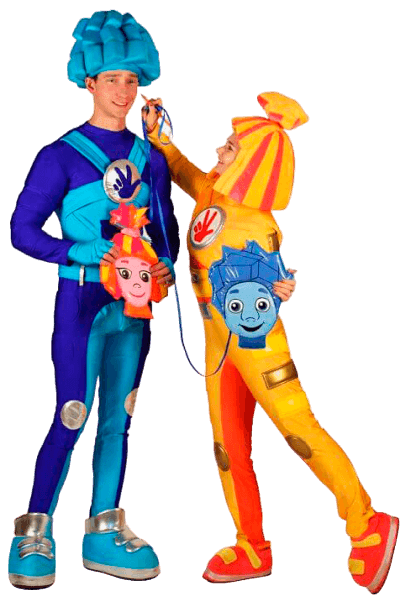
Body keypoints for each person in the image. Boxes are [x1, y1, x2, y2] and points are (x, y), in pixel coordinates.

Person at [142, 91, 399, 592]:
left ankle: (367, 523)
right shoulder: (213, 192)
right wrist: (159, 135)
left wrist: (284, 286)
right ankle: (251, 546)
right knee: (227, 445)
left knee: (298, 430)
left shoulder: (259, 225)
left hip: (258, 349)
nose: (219, 151)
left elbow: (273, 276)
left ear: (253, 165)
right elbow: (181, 170)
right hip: (217, 347)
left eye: (230, 148)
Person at [8, 10, 179, 588]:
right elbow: (22, 232)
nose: (123, 91)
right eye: (111, 79)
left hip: (136, 310)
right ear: (88, 82)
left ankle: (105, 526)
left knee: (119, 418)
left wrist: (164, 269)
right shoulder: (59, 154)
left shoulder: (152, 156)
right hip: (80, 301)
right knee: (72, 413)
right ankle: (33, 531)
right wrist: (80, 251)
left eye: (131, 80)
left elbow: (163, 228)